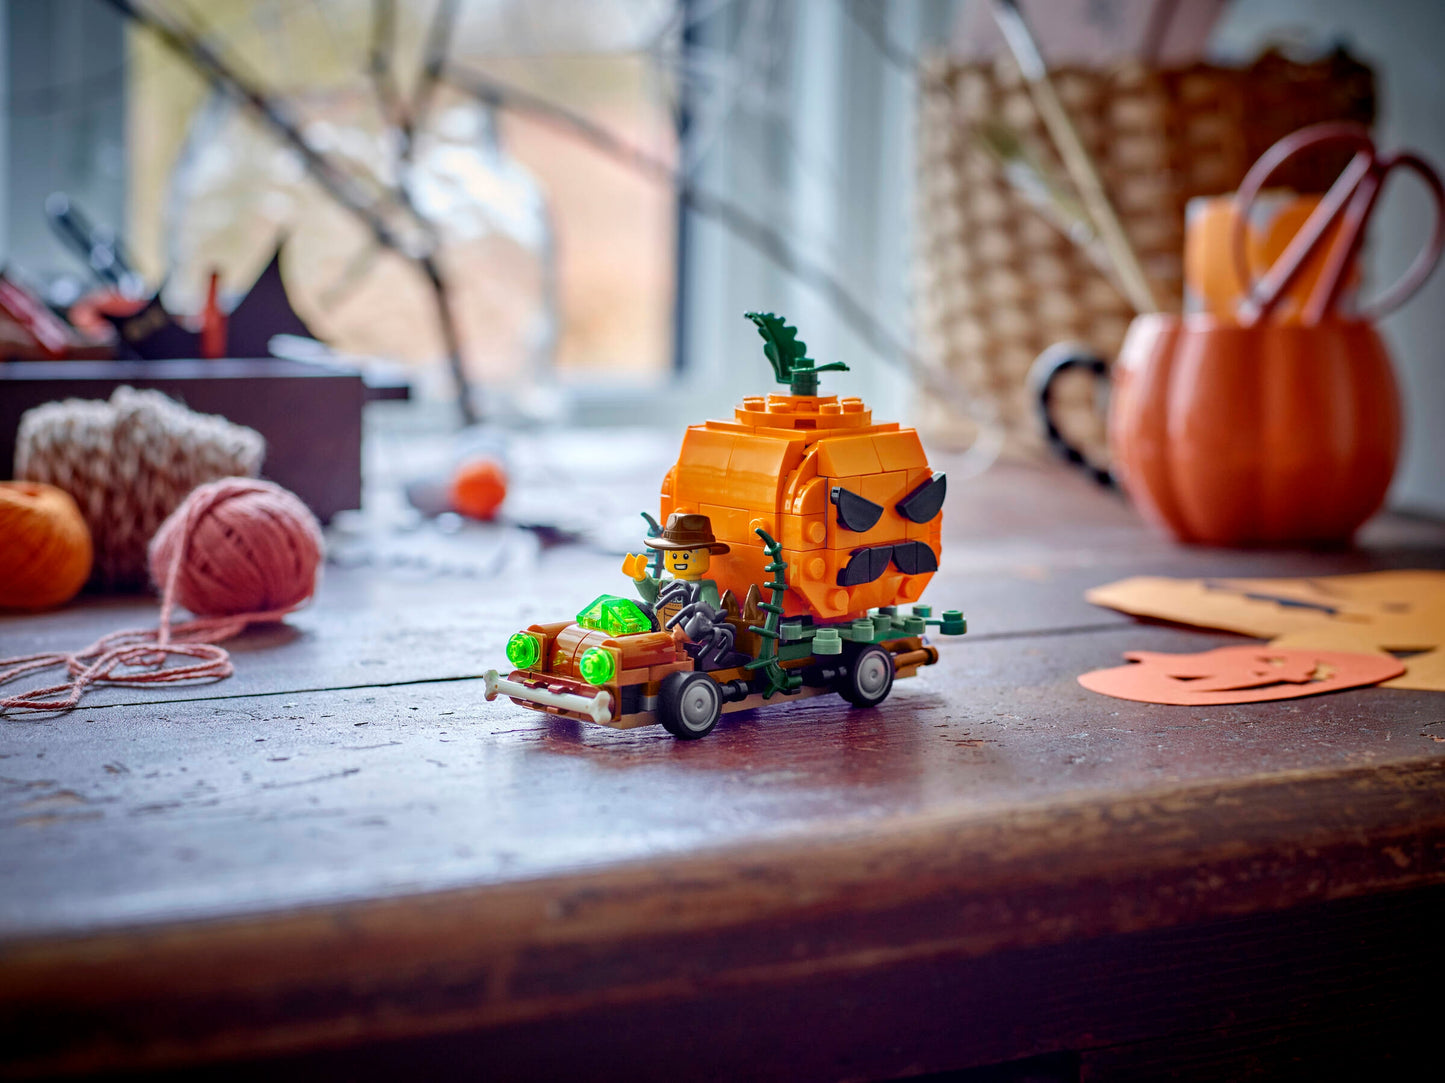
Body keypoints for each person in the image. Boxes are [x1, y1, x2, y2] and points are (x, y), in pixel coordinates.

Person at [622, 513, 738, 666]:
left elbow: (710, 616)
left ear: (707, 553)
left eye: (687, 555)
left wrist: (690, 632)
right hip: (660, 639)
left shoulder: (706, 588)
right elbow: (651, 596)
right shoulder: (664, 583)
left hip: (690, 645)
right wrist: (640, 578)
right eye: (674, 555)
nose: (680, 560)